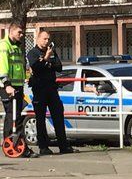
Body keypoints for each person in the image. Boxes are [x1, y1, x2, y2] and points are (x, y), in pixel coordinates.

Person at [27, 31, 78, 155]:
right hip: (39, 89)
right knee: (40, 119)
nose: (46, 41)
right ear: (38, 39)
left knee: (58, 117)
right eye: (44, 39)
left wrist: (47, 61)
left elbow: (58, 67)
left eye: (48, 39)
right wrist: (46, 59)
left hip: (52, 89)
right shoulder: (32, 53)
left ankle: (63, 146)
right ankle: (43, 147)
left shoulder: (51, 51)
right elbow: (36, 68)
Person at [1, 23, 38, 158]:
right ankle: (16, 146)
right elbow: (2, 66)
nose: (21, 35)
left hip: (17, 86)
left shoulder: (16, 47)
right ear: (11, 31)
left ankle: (9, 145)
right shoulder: (5, 46)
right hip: (8, 86)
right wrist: (7, 84)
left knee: (13, 115)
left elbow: (18, 66)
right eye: (19, 32)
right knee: (13, 116)